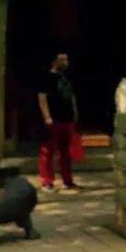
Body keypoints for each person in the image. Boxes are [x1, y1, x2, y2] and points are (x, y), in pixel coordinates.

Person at [37, 52, 78, 192]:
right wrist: (47, 117)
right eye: (62, 59)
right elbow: (42, 98)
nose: (66, 62)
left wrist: (75, 114)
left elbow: (71, 97)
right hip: (54, 119)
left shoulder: (66, 78)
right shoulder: (47, 78)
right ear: (55, 62)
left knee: (66, 152)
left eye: (67, 59)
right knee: (48, 151)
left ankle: (67, 180)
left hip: (67, 119)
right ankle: (47, 181)